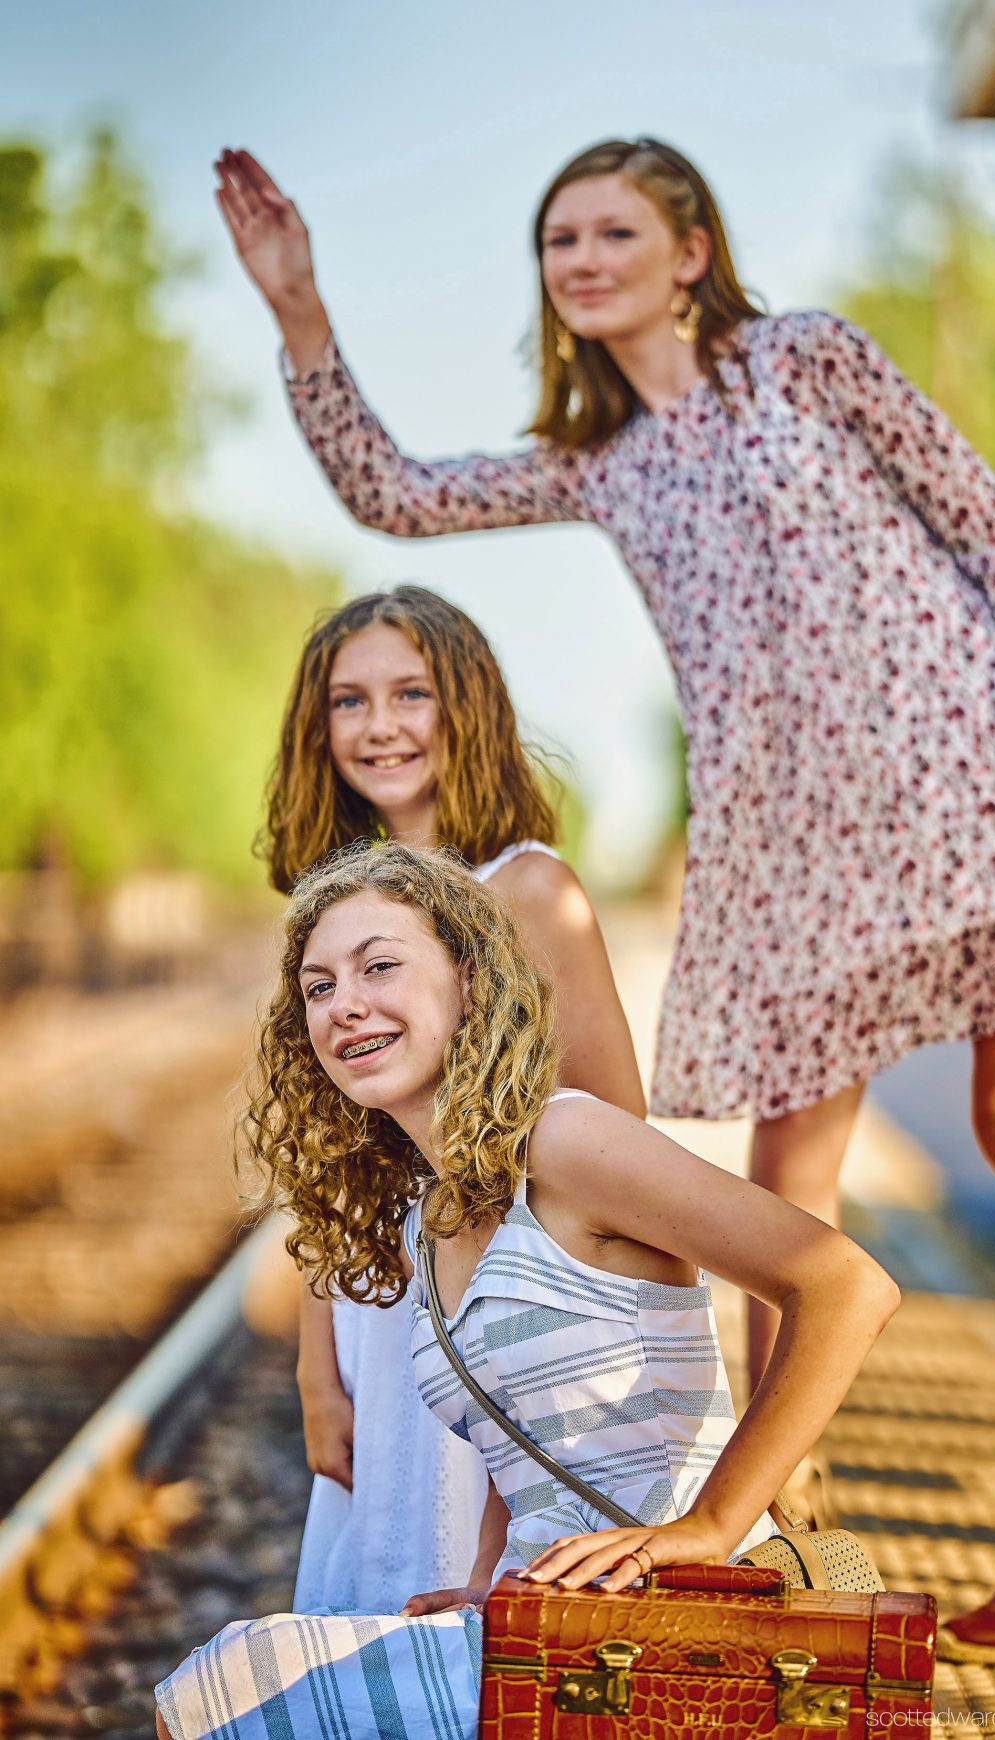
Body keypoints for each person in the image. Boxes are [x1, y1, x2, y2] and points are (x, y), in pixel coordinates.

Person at [213, 137, 995, 1657]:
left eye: (613, 231)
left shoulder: (809, 361)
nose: (581, 261)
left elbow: (991, 525)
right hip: (782, 835)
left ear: (692, 248)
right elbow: (395, 491)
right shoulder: (599, 457)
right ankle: (783, 1512)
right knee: (791, 1179)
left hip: (962, 760)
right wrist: (303, 316)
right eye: (558, 241)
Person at [155, 839, 900, 1739]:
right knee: (224, 1684)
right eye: (319, 987)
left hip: (673, 1630)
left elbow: (846, 1287)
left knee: (220, 1694)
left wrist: (710, 1526)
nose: (345, 1003)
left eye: (379, 965)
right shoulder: (427, 1222)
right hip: (540, 1623)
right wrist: (484, 1575)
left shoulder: (568, 1143)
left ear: (467, 978)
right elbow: (517, 1426)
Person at [267, 585, 645, 1615]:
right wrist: (316, 1366)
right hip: (373, 1300)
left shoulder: (528, 890)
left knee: (471, 1603)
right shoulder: (334, 903)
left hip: (490, 1303)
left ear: (463, 708)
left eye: (410, 694)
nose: (379, 726)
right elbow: (325, 1155)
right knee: (377, 1585)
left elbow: (619, 1132)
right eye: (348, 701)